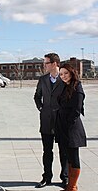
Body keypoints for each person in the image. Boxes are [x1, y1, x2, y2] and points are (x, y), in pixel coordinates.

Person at [34, 53, 68, 188]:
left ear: (54, 64)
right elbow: (37, 96)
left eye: (46, 63)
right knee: (47, 151)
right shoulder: (42, 79)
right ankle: (46, 177)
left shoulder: (65, 78)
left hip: (61, 121)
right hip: (46, 121)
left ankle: (64, 178)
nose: (44, 65)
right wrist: (41, 108)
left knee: (64, 151)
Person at [57, 63, 87, 191]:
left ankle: (73, 186)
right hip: (63, 126)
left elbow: (76, 109)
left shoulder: (77, 87)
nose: (63, 76)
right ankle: (70, 185)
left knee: (74, 157)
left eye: (66, 73)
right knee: (68, 156)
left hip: (72, 128)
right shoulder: (65, 86)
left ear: (71, 73)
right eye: (61, 74)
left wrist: (68, 124)